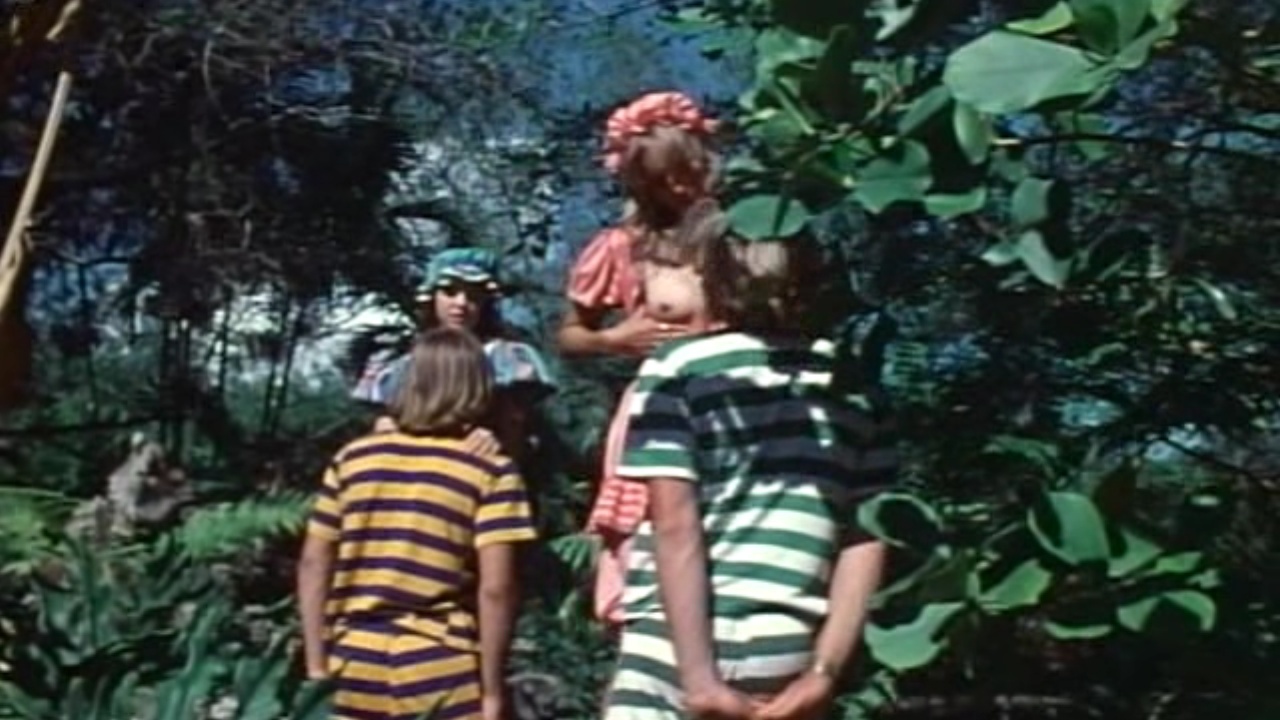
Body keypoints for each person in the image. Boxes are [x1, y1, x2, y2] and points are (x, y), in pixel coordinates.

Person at [602, 202, 897, 720]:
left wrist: (700, 679)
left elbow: (675, 524)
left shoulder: (679, 368)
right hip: (787, 647)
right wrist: (824, 671)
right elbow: (868, 534)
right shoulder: (853, 387)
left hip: (672, 644)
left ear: (712, 274)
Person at [297, 327, 538, 720]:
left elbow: (313, 562)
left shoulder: (353, 459)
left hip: (353, 657)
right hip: (440, 660)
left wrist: (316, 664)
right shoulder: (490, 471)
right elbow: (496, 590)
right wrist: (492, 691)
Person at [556, 90, 721, 629]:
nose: (679, 188)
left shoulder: (739, 237)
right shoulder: (622, 247)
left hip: (736, 400)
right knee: (649, 553)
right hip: (658, 406)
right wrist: (613, 339)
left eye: (686, 172)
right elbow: (570, 335)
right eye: (662, 179)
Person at [354, 246, 556, 459]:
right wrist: (384, 424)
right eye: (450, 292)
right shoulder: (400, 362)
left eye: (473, 296)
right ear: (431, 296)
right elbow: (383, 416)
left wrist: (498, 435)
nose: (461, 303)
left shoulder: (503, 358)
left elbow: (516, 424)